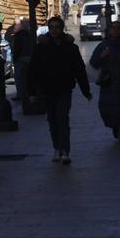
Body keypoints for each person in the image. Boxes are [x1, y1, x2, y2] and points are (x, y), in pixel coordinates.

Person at [28, 15, 91, 165]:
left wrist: (85, 90)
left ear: (62, 29)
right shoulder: (41, 48)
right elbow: (33, 71)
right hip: (47, 90)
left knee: (63, 120)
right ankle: (57, 147)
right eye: (51, 27)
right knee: (52, 121)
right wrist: (32, 92)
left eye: (57, 27)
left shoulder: (70, 47)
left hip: (64, 89)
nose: (54, 30)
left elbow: (79, 70)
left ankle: (64, 151)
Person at [90, 20, 120, 143]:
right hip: (109, 84)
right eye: (113, 28)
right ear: (110, 30)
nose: (116, 30)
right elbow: (94, 62)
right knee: (109, 109)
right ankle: (116, 127)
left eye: (118, 28)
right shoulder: (104, 45)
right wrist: (102, 56)